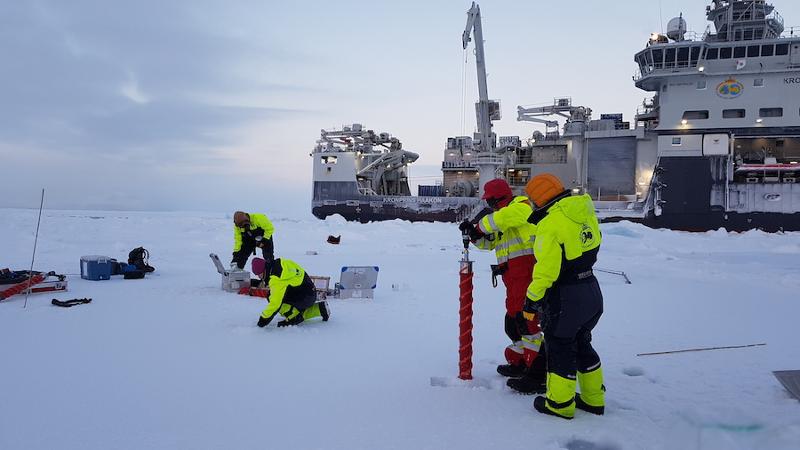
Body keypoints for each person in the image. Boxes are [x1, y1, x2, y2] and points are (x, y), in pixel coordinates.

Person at [522, 173, 605, 420]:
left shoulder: (550, 224)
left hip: (566, 296)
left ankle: (559, 404)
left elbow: (546, 271)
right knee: (582, 343)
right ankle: (593, 399)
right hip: (591, 289)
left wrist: (531, 299)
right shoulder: (584, 212)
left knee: (559, 347)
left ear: (539, 200)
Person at [459, 179, 546, 393]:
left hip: (527, 274)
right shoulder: (503, 222)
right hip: (512, 278)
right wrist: (475, 235)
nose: (489, 205)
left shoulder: (521, 207)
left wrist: (480, 225)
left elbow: (503, 219)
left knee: (527, 322)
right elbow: (491, 243)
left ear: (498, 198)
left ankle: (538, 372)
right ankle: (521, 361)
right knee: (513, 323)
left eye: (490, 201)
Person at [255, 257, 330, 328]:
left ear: (263, 271)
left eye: (259, 274)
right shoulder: (281, 262)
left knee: (271, 296)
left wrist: (263, 320)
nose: (259, 277)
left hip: (305, 297)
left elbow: (275, 304)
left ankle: (293, 316)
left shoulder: (275, 278)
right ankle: (320, 308)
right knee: (278, 294)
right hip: (310, 292)